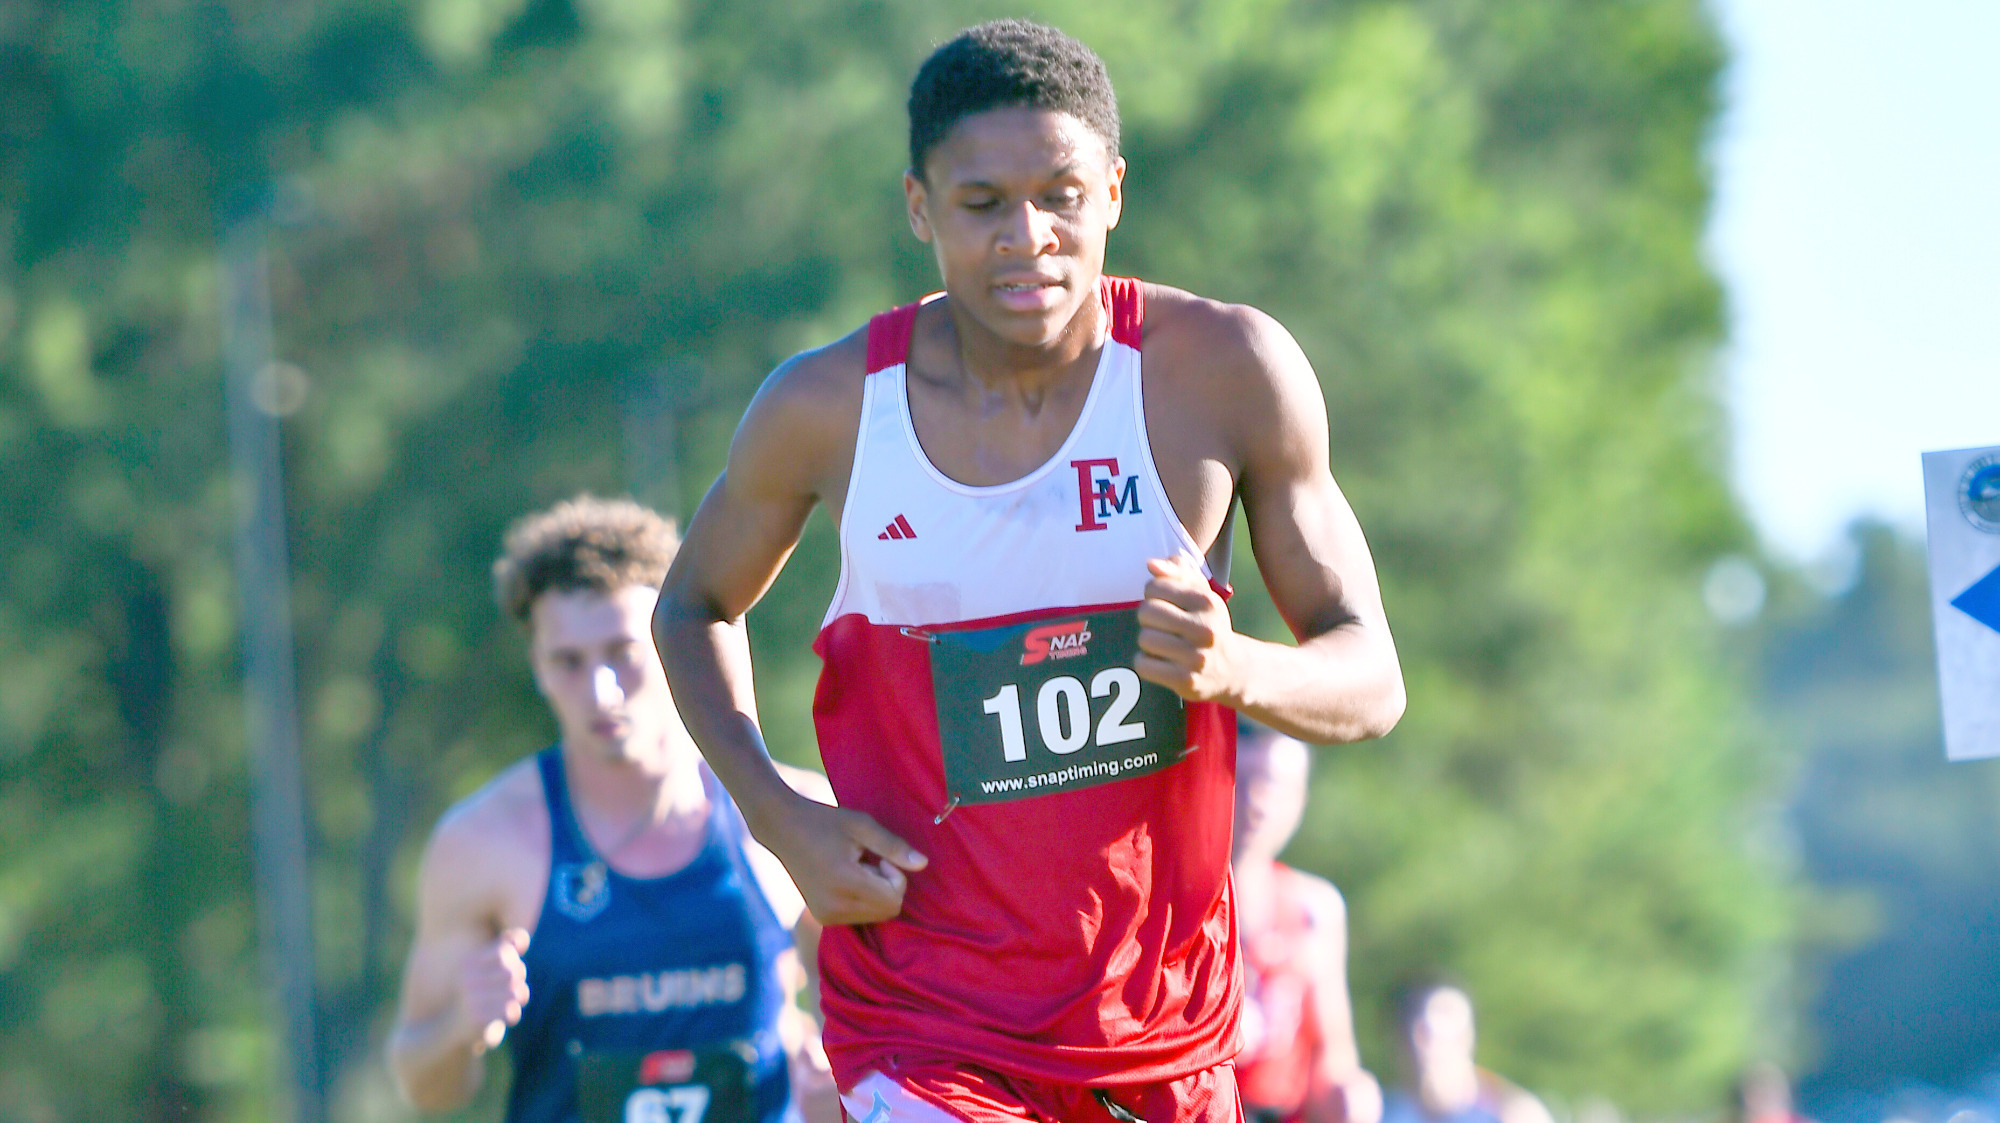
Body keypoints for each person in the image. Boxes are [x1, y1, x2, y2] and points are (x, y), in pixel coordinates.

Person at [655, 19, 1405, 1123]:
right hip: (920, 1019)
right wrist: (778, 815)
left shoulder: (1223, 374)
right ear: (919, 208)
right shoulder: (825, 409)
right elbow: (690, 605)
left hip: (1159, 1033)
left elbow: (1370, 677)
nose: (1028, 237)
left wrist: (1235, 668)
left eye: (1059, 193)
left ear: (1111, 190)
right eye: (981, 204)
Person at [387, 496, 838, 1123]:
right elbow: (424, 1084)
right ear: (537, 666)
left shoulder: (795, 812)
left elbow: (898, 1030)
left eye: (621, 651)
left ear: (669, 641)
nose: (600, 691)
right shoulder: (483, 842)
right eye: (568, 661)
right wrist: (464, 1023)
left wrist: (842, 1096)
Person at [1233, 720, 1382, 1123]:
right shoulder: (1175, 904)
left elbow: (1333, 1056)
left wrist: (1348, 1099)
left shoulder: (1313, 908)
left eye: (1275, 786)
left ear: (1300, 801)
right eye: (1243, 781)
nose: (1258, 802)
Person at [1381, 983, 1552, 1123]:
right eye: (1425, 1034)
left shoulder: (1514, 1113)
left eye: (1453, 1035)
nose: (1434, 1048)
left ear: (1469, 1037)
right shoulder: (1378, 1111)